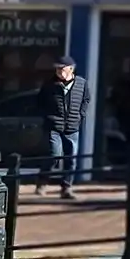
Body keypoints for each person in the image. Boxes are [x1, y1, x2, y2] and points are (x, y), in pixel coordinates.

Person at [39, 55, 89, 197]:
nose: (59, 71)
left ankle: (66, 187)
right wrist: (47, 116)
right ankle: (43, 181)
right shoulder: (49, 85)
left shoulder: (82, 84)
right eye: (57, 69)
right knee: (54, 155)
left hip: (72, 126)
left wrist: (80, 115)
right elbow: (40, 102)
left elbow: (86, 99)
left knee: (71, 158)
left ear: (71, 69)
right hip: (54, 125)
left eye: (62, 69)